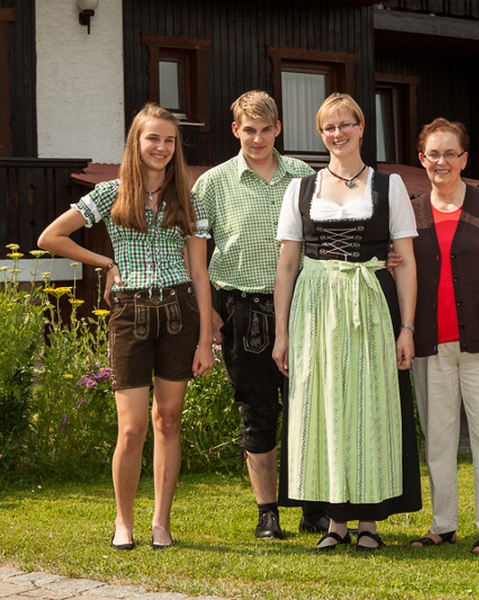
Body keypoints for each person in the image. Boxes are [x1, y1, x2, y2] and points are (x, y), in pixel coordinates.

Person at [38, 103, 214, 551]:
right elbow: (50, 237)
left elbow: (199, 273)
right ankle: (123, 522)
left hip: (178, 311)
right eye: (153, 138)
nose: (161, 147)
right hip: (130, 315)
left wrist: (205, 340)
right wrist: (105, 263)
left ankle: (161, 523)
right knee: (133, 427)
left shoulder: (188, 199)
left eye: (169, 140)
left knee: (168, 420)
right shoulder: (111, 193)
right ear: (136, 142)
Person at [273, 92, 422, 551]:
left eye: (346, 124)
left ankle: (370, 522)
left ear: (361, 127)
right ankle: (335, 520)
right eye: (329, 127)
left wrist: (407, 327)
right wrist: (281, 332)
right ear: (321, 135)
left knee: (370, 403)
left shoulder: (389, 186)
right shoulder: (301, 188)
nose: (338, 134)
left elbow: (407, 262)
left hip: (369, 304)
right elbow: (286, 263)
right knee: (324, 404)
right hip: (316, 307)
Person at [191, 90, 328, 539]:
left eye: (265, 130)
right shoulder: (212, 184)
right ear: (236, 130)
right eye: (248, 129)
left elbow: (326, 239)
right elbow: (193, 252)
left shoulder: (305, 177)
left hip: (303, 306)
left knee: (308, 408)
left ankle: (314, 507)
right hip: (240, 309)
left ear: (278, 130)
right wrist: (207, 311)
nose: (257, 138)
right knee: (257, 411)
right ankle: (267, 512)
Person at [407, 118, 479, 555]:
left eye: (451, 153)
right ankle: (443, 523)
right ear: (422, 159)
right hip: (430, 342)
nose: (442, 161)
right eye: (434, 154)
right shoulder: (409, 211)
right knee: (439, 435)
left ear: (465, 159)